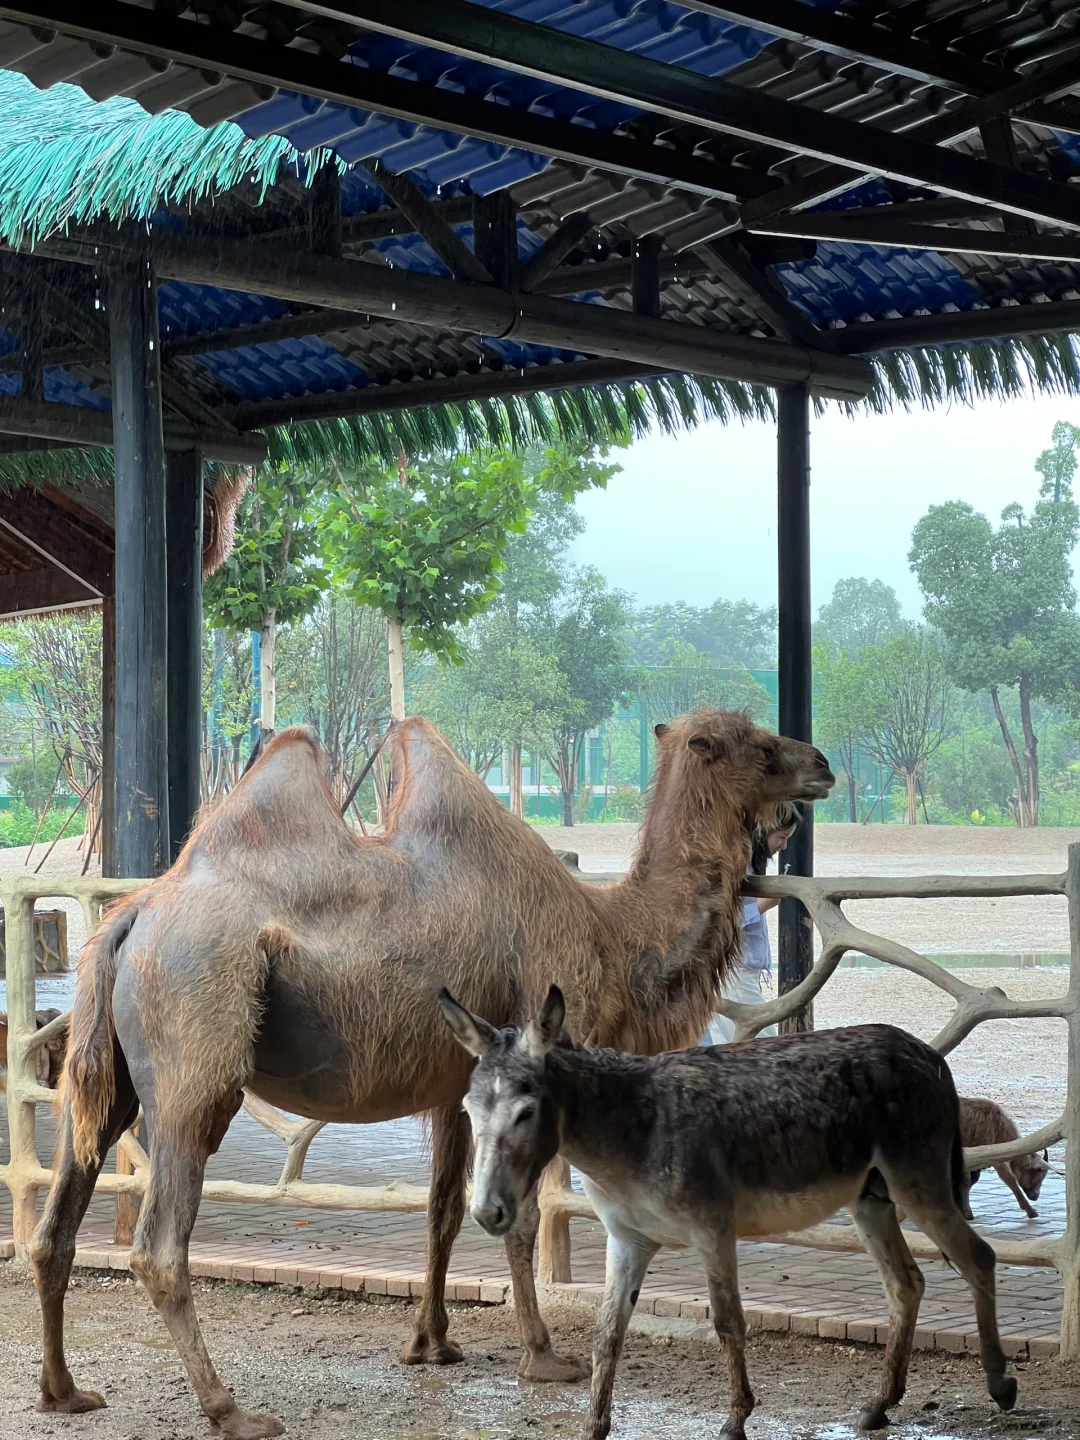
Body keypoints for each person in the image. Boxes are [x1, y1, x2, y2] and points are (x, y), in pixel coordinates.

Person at [702, 808, 799, 1045]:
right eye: (782, 837)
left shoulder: (749, 863)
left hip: (741, 968)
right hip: (735, 967)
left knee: (731, 1038)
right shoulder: (735, 865)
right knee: (758, 1040)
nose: (783, 847)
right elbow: (718, 920)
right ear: (763, 830)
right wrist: (763, 905)